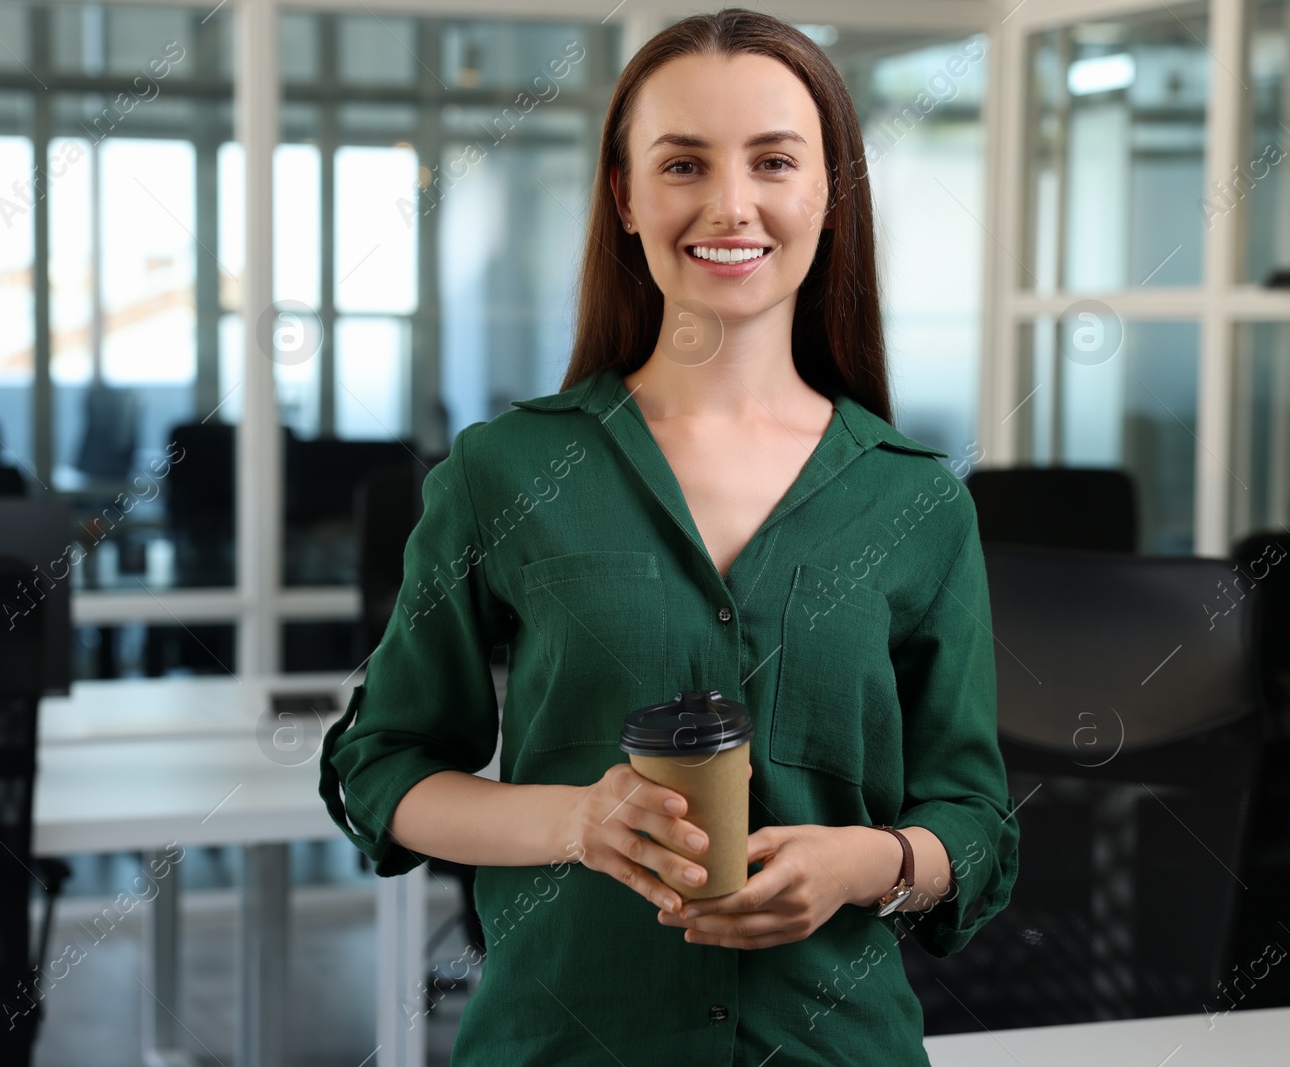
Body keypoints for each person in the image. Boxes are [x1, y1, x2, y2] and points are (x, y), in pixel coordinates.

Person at [317, 9, 1019, 1064]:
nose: (729, 205)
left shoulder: (915, 501)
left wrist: (866, 860)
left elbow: (974, 821)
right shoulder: (503, 470)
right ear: (625, 193)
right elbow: (378, 768)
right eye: (682, 162)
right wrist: (573, 823)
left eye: (774, 160)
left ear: (828, 190)